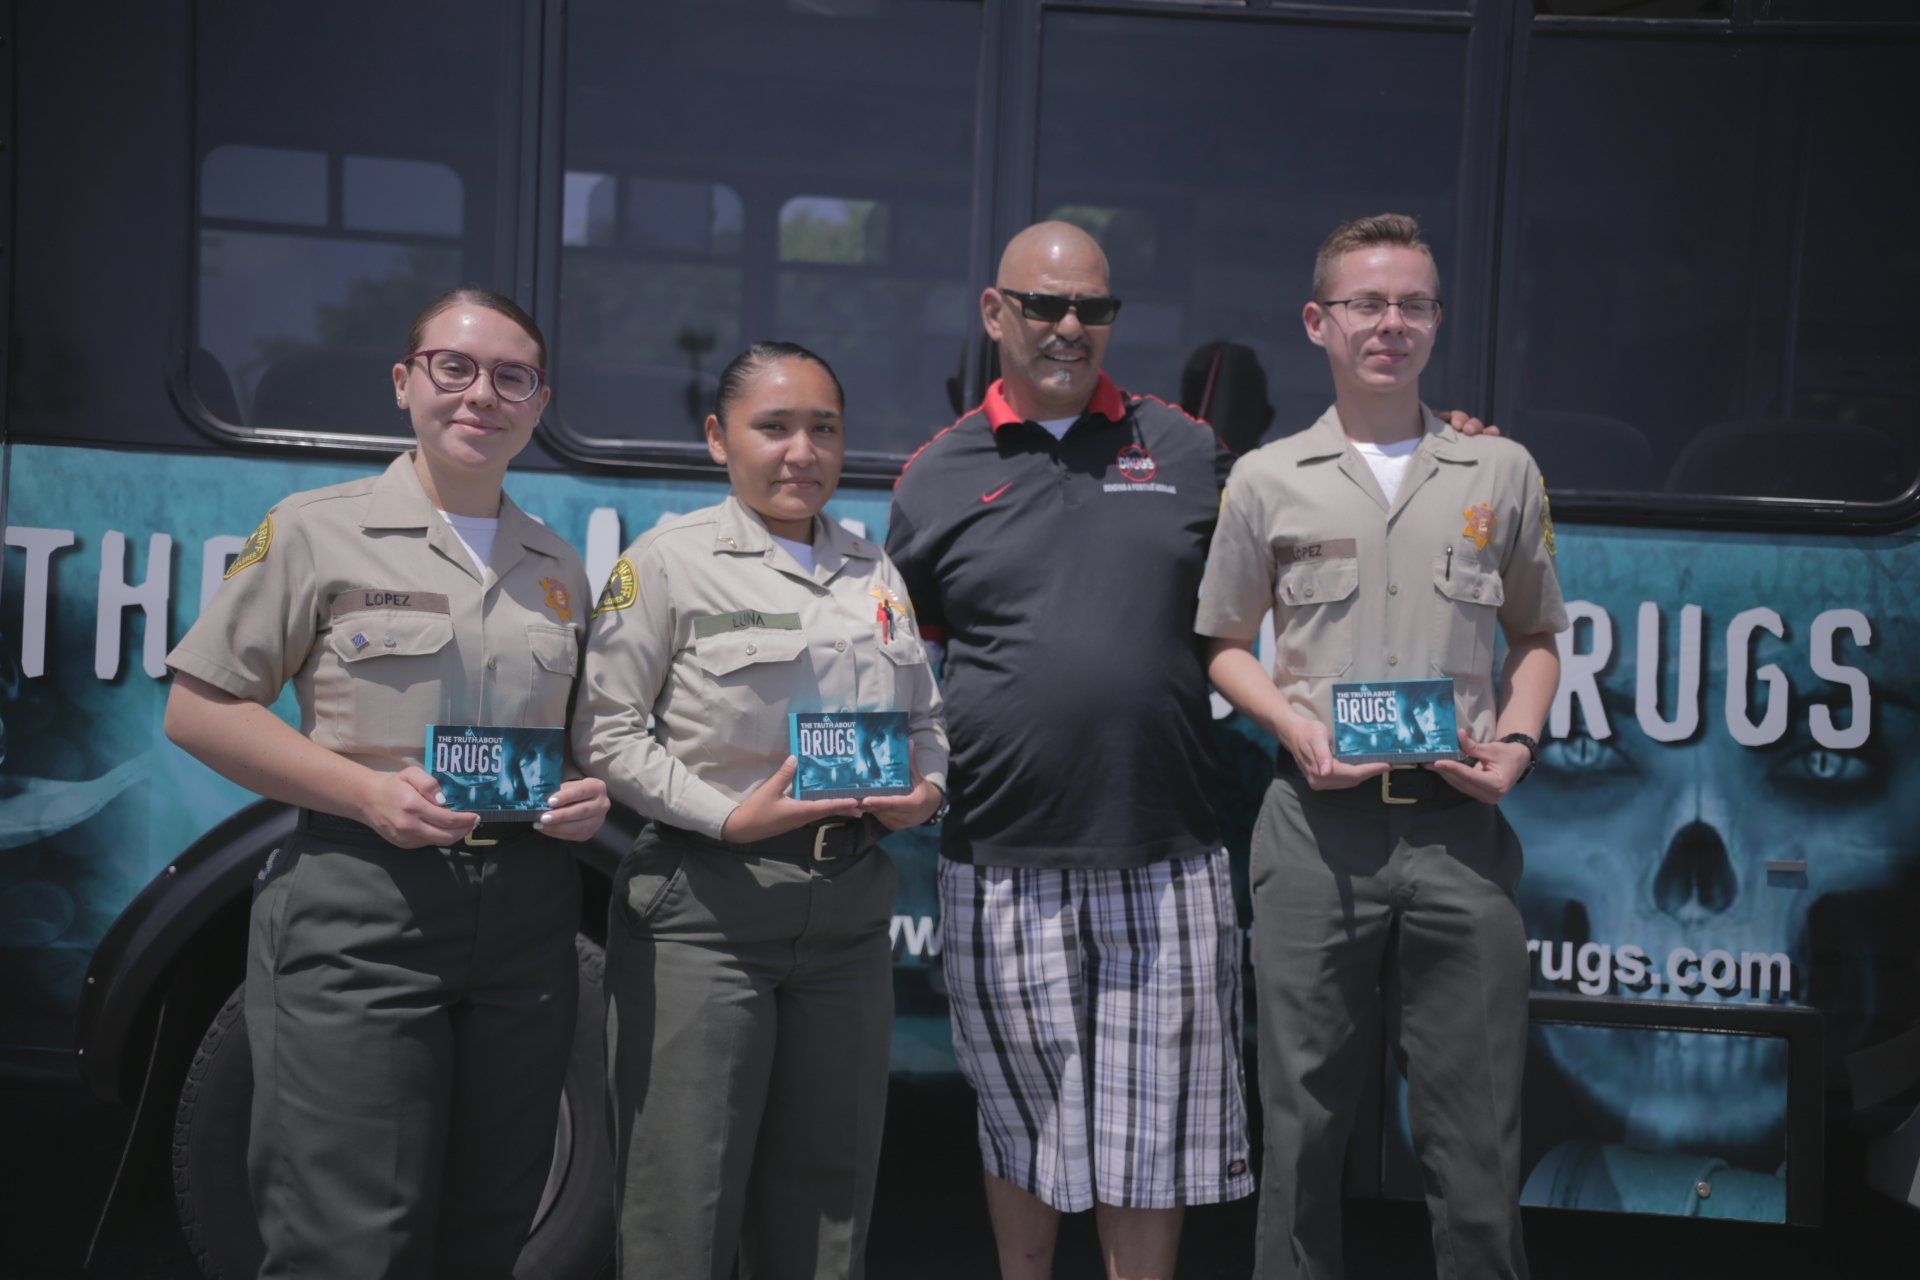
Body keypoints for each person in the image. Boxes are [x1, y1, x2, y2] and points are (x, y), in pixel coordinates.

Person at [162, 288, 611, 1279]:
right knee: (350, 1239)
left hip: (528, 918)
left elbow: (579, 745)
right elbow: (199, 708)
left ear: (540, 404)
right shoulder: (317, 531)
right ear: (405, 382)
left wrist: (587, 791)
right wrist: (365, 793)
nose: (480, 394)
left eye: (511, 377)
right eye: (454, 367)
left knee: (488, 1230)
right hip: (365, 904)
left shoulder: (560, 568)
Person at [1195, 213, 1567, 1280]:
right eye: (1367, 303)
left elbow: (1539, 635)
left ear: (1436, 323)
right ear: (1320, 322)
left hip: (1461, 833)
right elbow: (1222, 641)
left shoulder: (1499, 470)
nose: (1389, 325)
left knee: (1478, 1137)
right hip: (1316, 831)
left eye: (1412, 305)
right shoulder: (1269, 478)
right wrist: (1292, 723)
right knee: (1300, 1133)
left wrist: (1520, 744)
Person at [885, 221, 1252, 1280]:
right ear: (996, 314)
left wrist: (1437, 439)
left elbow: (1303, 539)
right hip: (999, 857)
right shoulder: (937, 473)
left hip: (1166, 851)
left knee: (1153, 1150)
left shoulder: (1186, 449)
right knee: (1023, 1128)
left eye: (1092, 307)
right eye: (1044, 305)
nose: (1068, 327)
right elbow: (902, 657)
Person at [573, 341, 948, 1280]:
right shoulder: (666, 563)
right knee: (682, 1202)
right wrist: (728, 818)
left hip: (847, 912)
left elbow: (925, 722)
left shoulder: (874, 571)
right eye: (773, 427)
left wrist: (926, 791)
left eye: (822, 428)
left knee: (826, 1205)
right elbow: (607, 733)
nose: (801, 451)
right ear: (718, 439)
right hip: (710, 911)